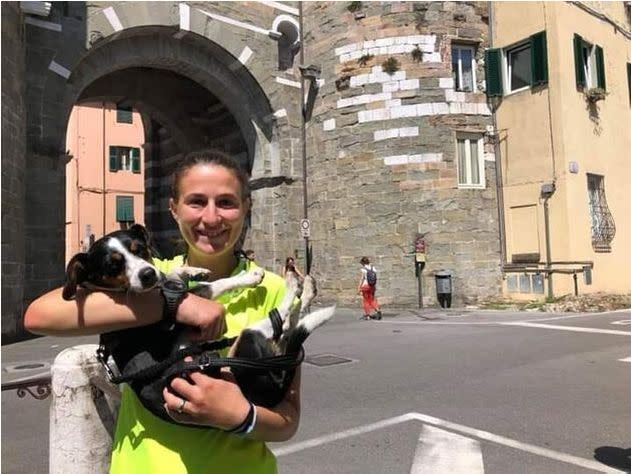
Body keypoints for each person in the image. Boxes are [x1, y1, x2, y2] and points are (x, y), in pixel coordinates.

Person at [24, 149, 300, 474]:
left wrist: (240, 415)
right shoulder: (149, 279)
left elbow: (287, 418)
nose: (211, 218)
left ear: (246, 207)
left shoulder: (274, 289)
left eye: (226, 202)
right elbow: (39, 316)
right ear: (174, 209)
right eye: (196, 202)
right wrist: (175, 303)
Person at [357, 256, 382, 320]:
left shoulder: (363, 270)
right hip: (372, 286)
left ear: (363, 263)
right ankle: (377, 310)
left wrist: (359, 288)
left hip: (365, 286)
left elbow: (362, 279)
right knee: (372, 299)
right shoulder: (373, 268)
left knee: (366, 301)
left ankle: (368, 315)